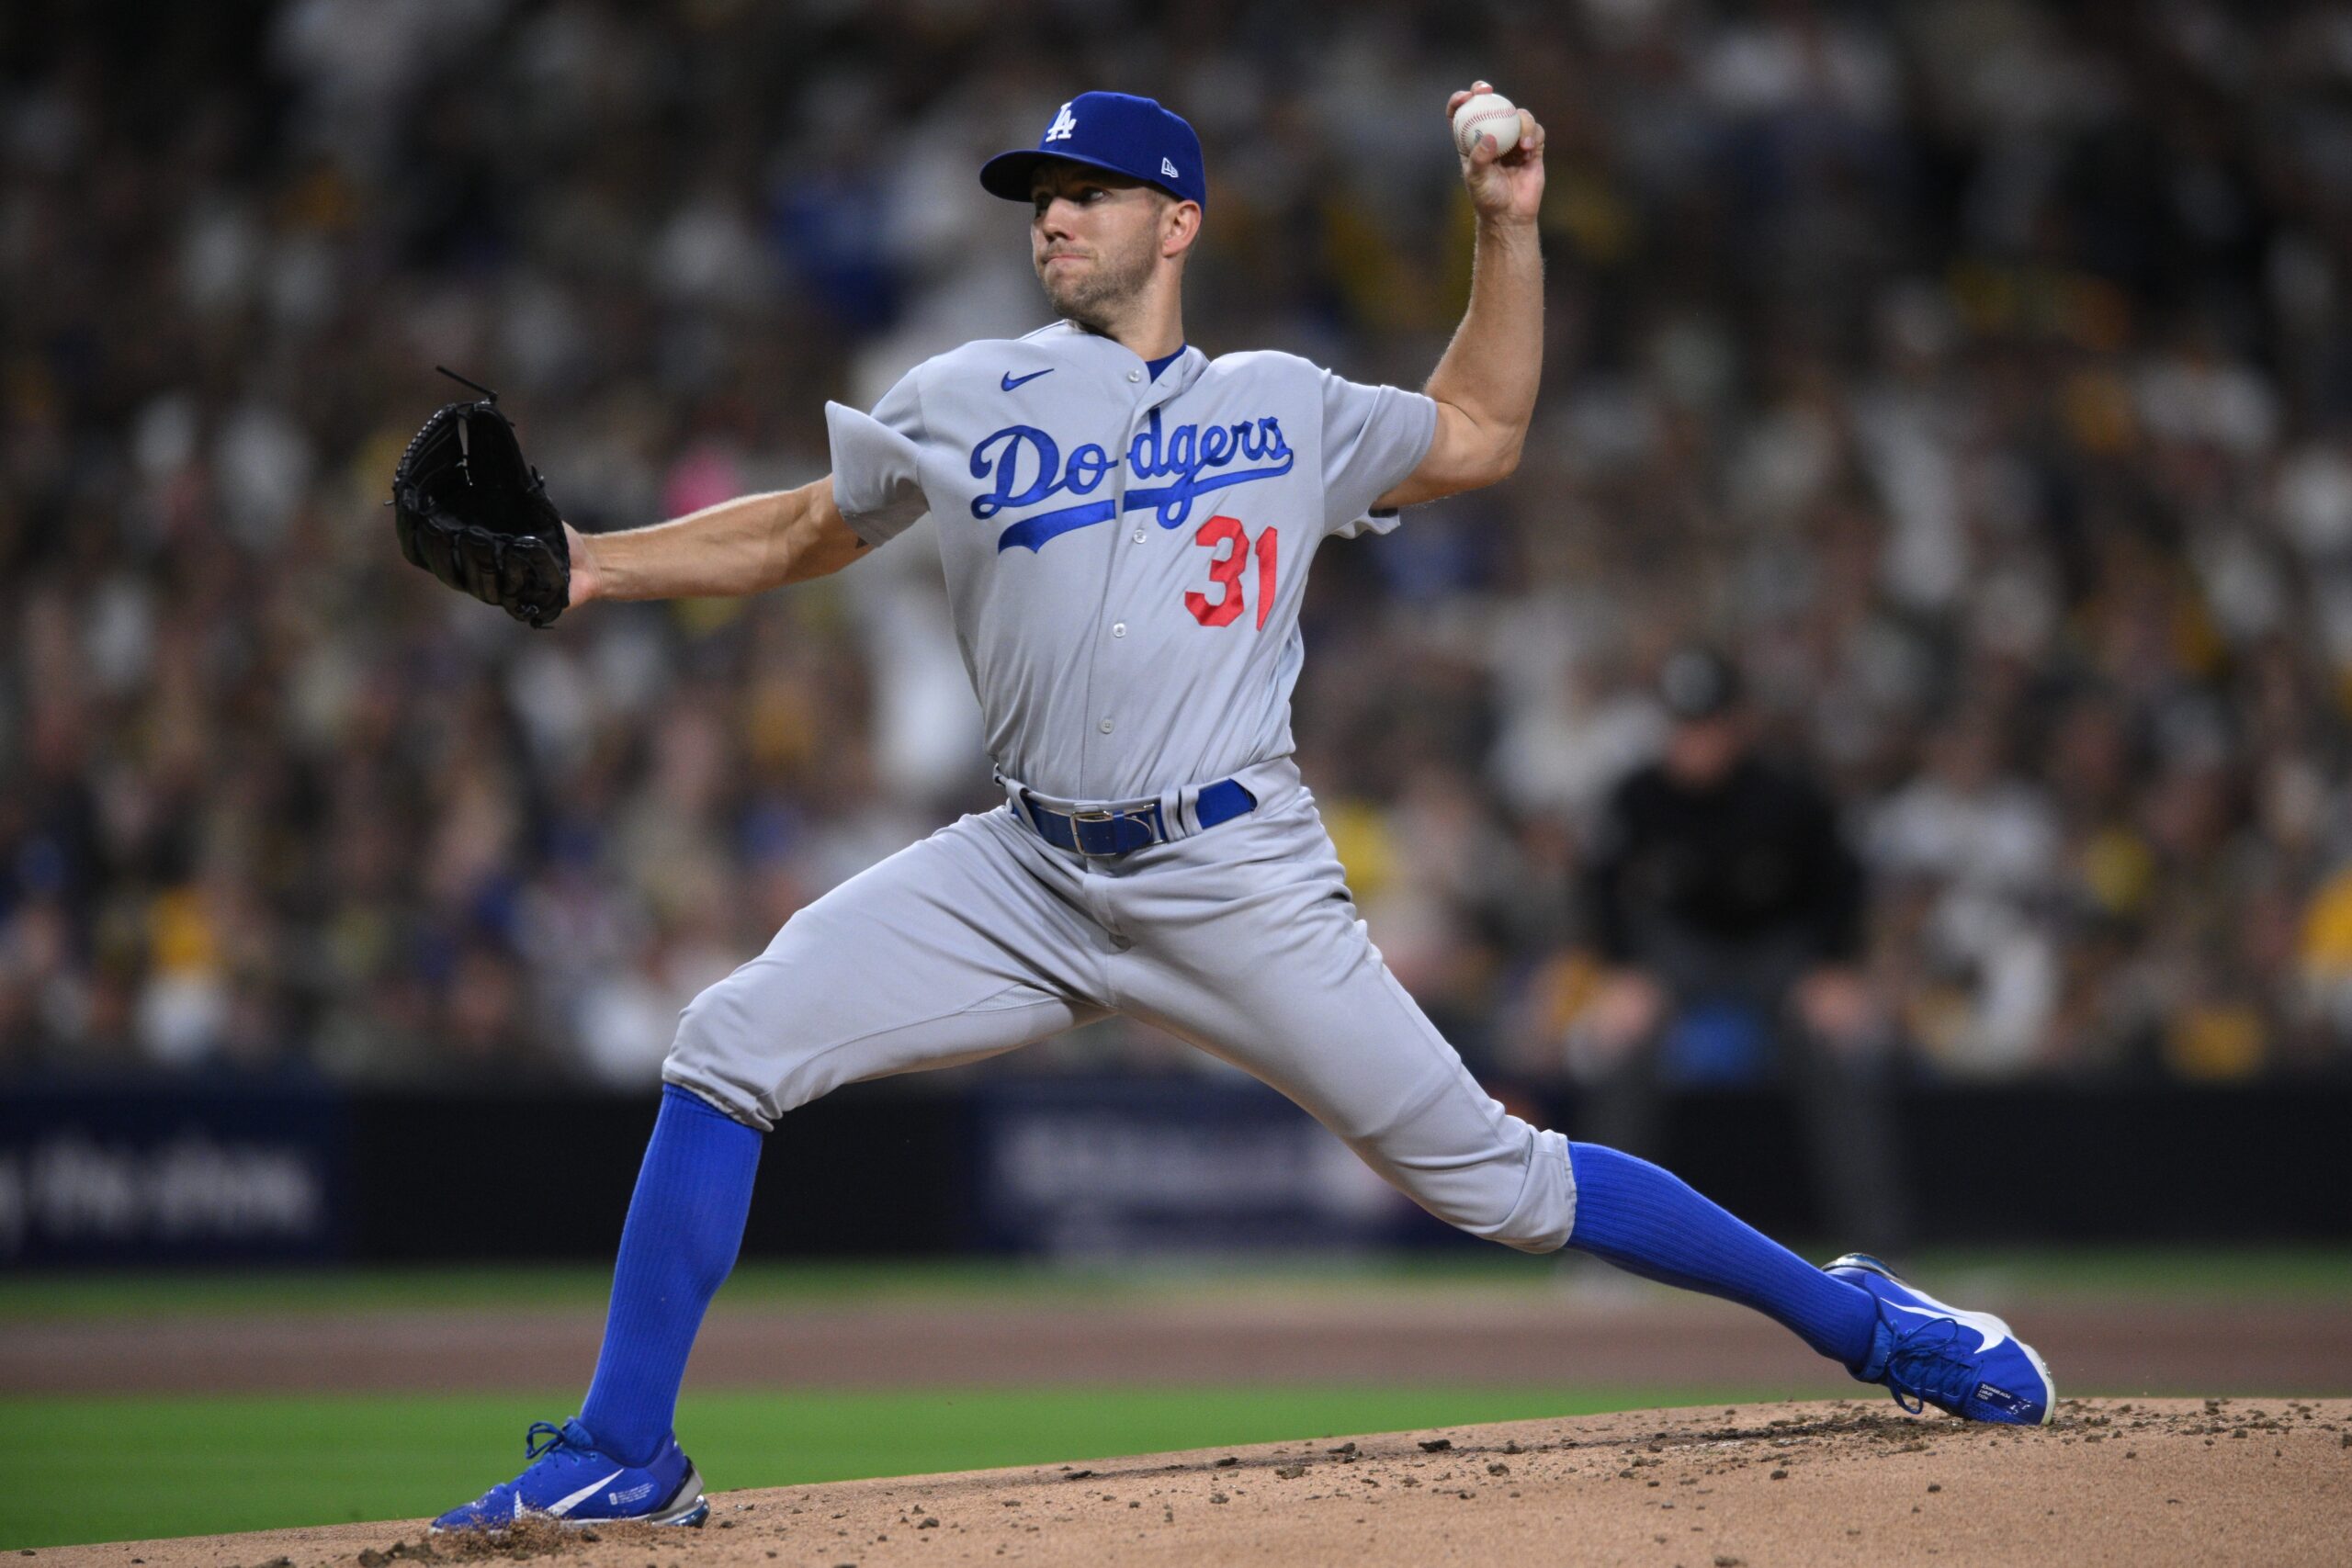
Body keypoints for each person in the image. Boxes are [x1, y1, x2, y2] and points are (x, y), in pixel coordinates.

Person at [423, 86, 2053, 1532]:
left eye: (1088, 188)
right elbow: (800, 533)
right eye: (1036, 194)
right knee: (728, 1041)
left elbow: (1481, 430)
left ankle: (1870, 1324)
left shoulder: (1284, 403)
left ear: (1177, 219)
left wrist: (1504, 230)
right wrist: (584, 567)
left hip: (1233, 870)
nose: (1053, 212)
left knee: (1505, 1185)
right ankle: (625, 1447)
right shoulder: (963, 390)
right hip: (1025, 862)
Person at [1576, 646, 1913, 1249]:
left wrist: (1836, 968)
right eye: (1682, 726)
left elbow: (1840, 883)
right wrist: (1621, 971)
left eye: (1707, 726)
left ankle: (1877, 1248)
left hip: (1776, 952)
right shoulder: (1637, 797)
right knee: (1623, 1043)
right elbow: (1600, 886)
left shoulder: (1786, 795)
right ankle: (1607, 1246)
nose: (1694, 742)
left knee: (1840, 1046)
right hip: (1678, 952)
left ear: (1736, 725)